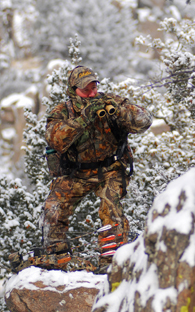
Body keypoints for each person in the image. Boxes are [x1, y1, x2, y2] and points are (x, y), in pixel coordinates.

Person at [40, 66, 152, 268]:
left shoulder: (110, 101)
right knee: (53, 208)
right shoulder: (62, 111)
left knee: (111, 209)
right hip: (75, 173)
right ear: (73, 90)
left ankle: (112, 261)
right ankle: (56, 257)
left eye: (94, 88)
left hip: (110, 169)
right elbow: (55, 139)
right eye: (86, 90)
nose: (92, 94)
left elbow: (144, 122)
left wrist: (120, 111)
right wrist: (83, 120)